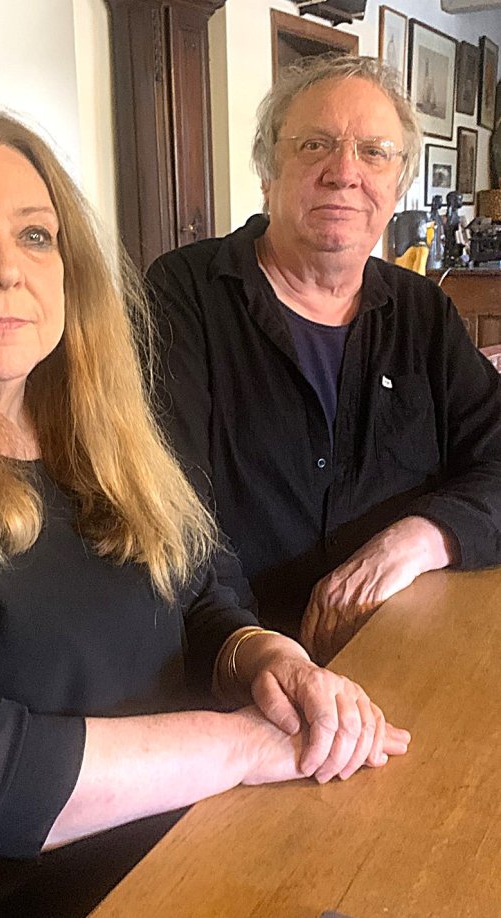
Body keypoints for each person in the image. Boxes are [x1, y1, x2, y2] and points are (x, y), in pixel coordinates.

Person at [0, 108, 409, 917]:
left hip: (175, 858)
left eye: (35, 235)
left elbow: (199, 594)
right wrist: (242, 747)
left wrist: (266, 660)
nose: (4, 269)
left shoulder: (103, 427)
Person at [146, 55, 501, 666]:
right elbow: (163, 504)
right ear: (268, 170)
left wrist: (414, 541)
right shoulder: (185, 293)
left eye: (374, 152)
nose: (344, 173)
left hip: (407, 639)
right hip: (230, 663)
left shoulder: (423, 313)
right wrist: (252, 647)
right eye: (315, 145)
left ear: (397, 185)